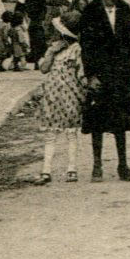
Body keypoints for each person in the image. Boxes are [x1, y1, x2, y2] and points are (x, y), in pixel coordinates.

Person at [79, 0, 130, 182]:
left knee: (121, 121)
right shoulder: (91, 10)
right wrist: (91, 76)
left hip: (122, 72)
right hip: (100, 73)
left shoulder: (124, 8)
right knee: (97, 121)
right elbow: (86, 46)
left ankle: (123, 165)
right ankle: (97, 166)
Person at [35, 10, 85, 184]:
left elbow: (81, 73)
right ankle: (46, 170)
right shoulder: (54, 48)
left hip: (71, 93)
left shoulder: (77, 49)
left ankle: (72, 168)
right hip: (52, 94)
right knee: (50, 132)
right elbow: (43, 69)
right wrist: (50, 52)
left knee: (71, 132)